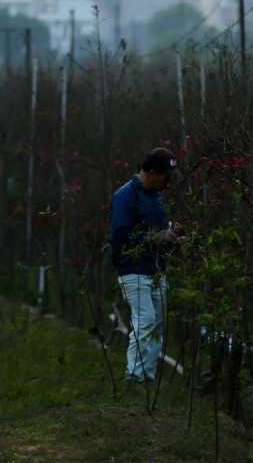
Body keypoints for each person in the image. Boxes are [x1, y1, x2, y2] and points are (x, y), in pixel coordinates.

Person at [108, 147, 182, 387]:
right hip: (132, 269)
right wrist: (154, 237)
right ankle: (134, 378)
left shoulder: (155, 196)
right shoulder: (124, 196)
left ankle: (146, 379)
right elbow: (120, 235)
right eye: (165, 176)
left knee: (158, 324)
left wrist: (171, 238)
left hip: (155, 269)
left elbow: (159, 230)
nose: (168, 182)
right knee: (145, 321)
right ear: (152, 172)